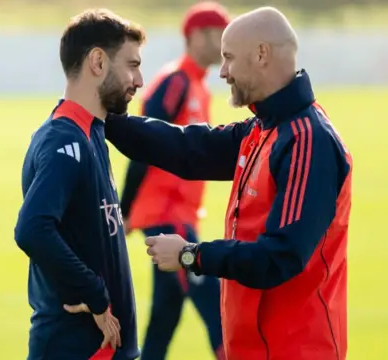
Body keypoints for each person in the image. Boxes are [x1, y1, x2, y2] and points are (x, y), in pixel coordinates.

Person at [105, 7, 352, 360]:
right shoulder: (263, 129)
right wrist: (104, 116)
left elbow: (280, 257)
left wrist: (192, 254)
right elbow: (189, 148)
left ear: (262, 55)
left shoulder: (306, 140)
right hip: (256, 348)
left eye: (229, 58)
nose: (222, 72)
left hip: (293, 350)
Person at [13, 9, 145, 360]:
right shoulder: (63, 139)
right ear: (98, 62)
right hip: (77, 348)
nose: (140, 79)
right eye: (131, 65)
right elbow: (32, 228)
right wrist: (96, 295)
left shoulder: (91, 133)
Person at [118, 2, 229, 359]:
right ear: (196, 37)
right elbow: (142, 145)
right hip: (167, 218)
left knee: (165, 315)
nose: (225, 44)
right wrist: (124, 209)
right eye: (219, 35)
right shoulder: (175, 81)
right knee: (216, 306)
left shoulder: (199, 85)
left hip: (179, 214)